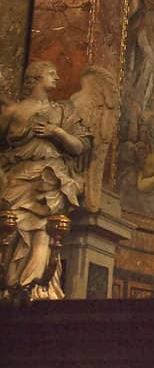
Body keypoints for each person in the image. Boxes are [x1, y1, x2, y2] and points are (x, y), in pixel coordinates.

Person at [0, 61, 89, 298]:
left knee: (44, 230)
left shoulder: (64, 111)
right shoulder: (12, 111)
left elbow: (80, 147)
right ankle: (9, 284)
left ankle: (37, 286)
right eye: (51, 73)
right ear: (35, 77)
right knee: (13, 227)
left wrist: (56, 132)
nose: (57, 78)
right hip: (18, 177)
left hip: (52, 178)